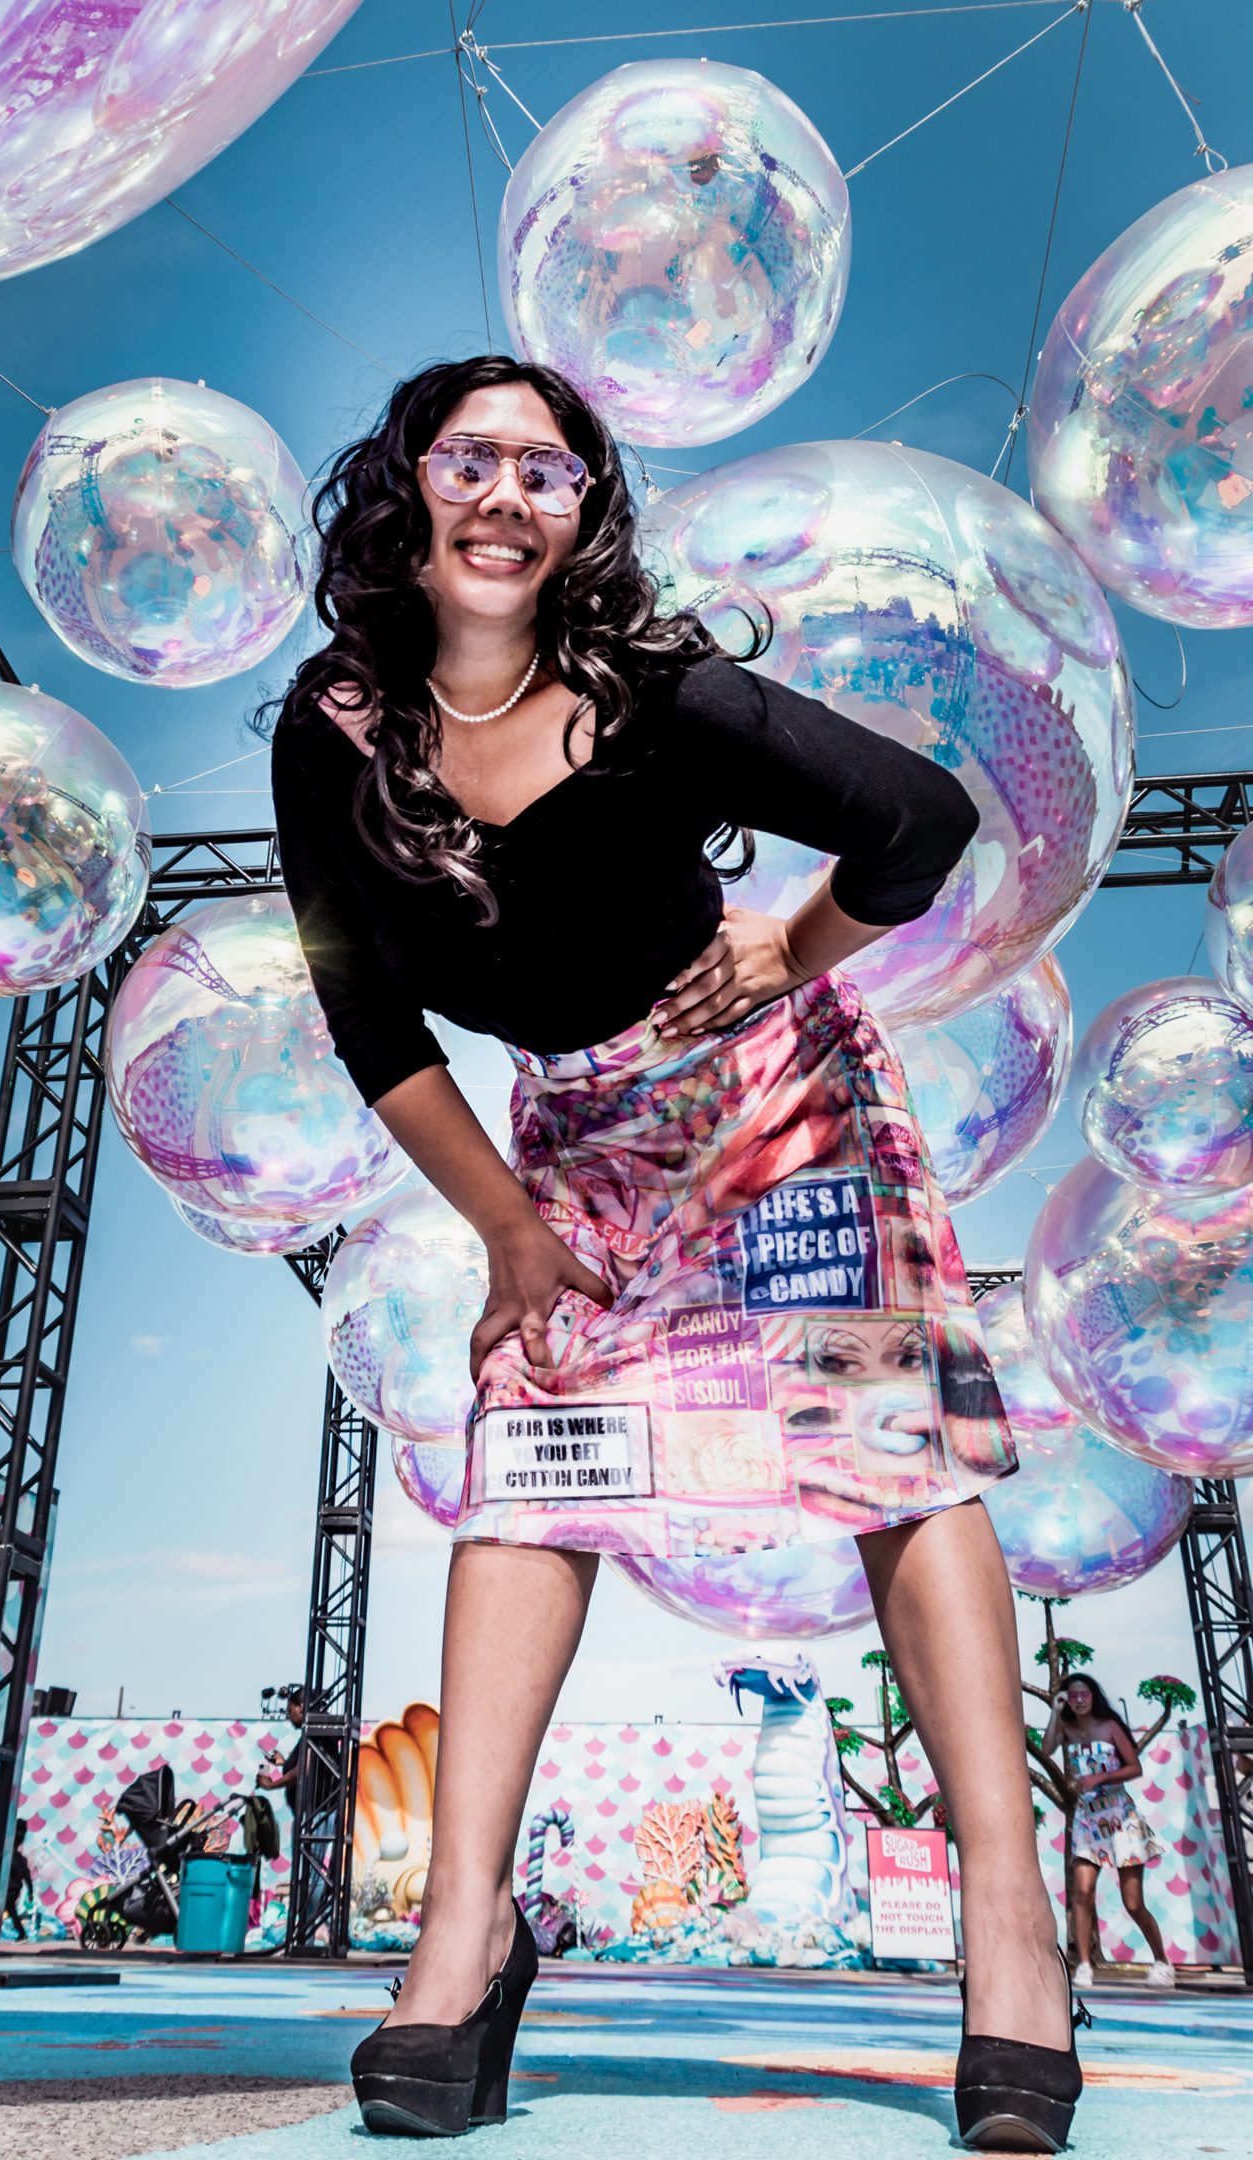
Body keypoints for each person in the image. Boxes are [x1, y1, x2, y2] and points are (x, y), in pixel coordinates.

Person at [271, 355, 1083, 2151]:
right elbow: (366, 1020)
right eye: (468, 459)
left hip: (775, 1104)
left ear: (581, 517)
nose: (503, 495)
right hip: (573, 1145)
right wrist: (505, 1233)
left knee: (899, 1458)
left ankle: (1013, 1929)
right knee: (524, 1463)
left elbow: (919, 822)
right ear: (407, 489)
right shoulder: (328, 724)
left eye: (547, 473)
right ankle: (464, 1942)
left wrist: (789, 954)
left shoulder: (648, 692)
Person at [1044, 1671, 1174, 1989]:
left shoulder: (1110, 1726)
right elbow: (1047, 1748)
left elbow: (1135, 1767)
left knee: (1133, 1902)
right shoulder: (1067, 1729)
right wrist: (1054, 1711)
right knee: (1082, 1891)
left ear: (1093, 1695)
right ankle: (1085, 1966)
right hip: (1088, 1821)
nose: (1078, 1699)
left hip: (1121, 1819)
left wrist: (1099, 1779)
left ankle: (1162, 1961)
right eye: (1071, 1695)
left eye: (1083, 1693)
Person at [256, 1686, 306, 1818]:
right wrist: (283, 1762)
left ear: (301, 1707)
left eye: (290, 1711)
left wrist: (271, 1785)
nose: (288, 1716)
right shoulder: (308, 1737)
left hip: (312, 1816)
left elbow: (301, 1772)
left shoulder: (314, 1736)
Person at [4, 1817, 33, 1943]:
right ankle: (21, 1933)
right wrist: (30, 1891)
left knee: (9, 1909)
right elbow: (26, 1876)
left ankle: (21, 1933)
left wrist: (31, 1891)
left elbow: (26, 1875)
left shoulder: (13, 1858)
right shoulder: (17, 1858)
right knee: (10, 1910)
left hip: (11, 1888)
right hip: (13, 1888)